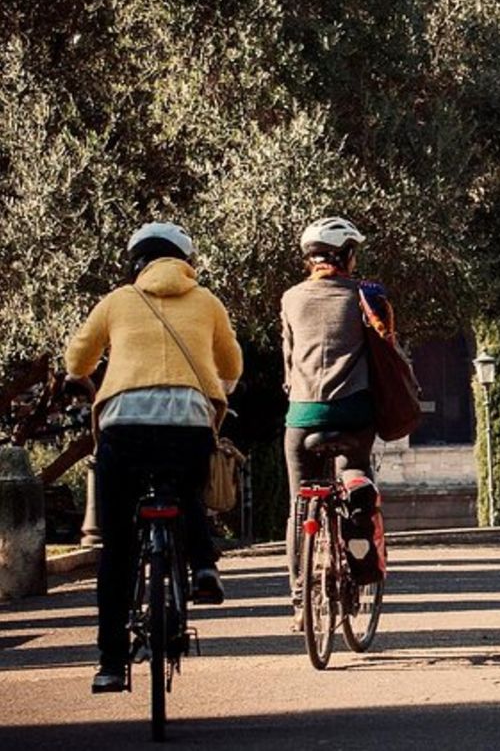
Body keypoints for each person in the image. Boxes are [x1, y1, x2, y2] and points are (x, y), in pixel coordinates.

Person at [65, 222, 243, 693]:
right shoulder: (206, 302)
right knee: (189, 492)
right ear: (185, 261)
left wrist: (87, 373)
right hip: (188, 425)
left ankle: (108, 663)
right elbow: (232, 367)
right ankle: (204, 566)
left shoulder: (117, 301)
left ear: (136, 262)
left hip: (124, 429)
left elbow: (76, 361)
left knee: (118, 547)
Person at [280, 217, 390, 628]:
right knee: (354, 471)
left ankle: (299, 600)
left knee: (298, 506)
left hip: (303, 414)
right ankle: (357, 492)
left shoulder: (291, 297)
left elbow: (289, 365)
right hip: (353, 412)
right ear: (346, 255)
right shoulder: (366, 294)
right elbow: (386, 349)